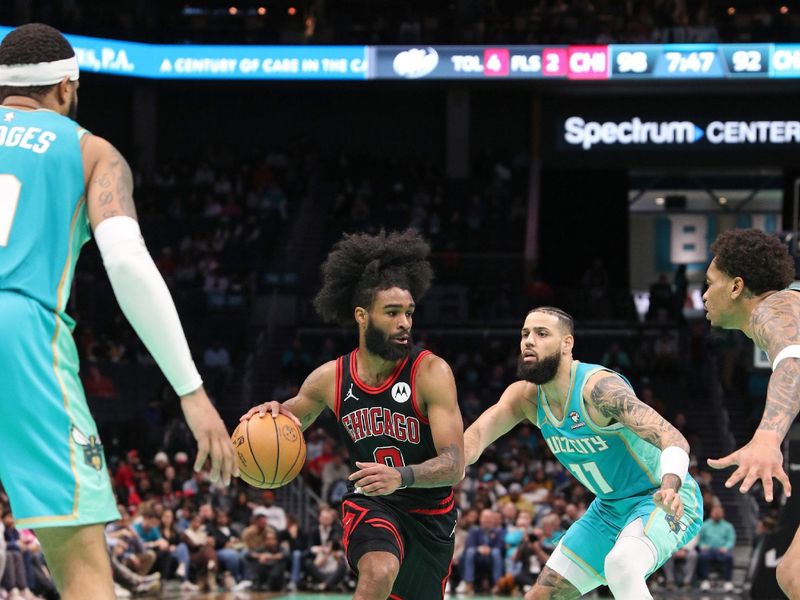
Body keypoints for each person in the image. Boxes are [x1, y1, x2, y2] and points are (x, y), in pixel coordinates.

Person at [0, 23, 236, 600]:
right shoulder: (91, 151)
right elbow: (127, 264)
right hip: (19, 335)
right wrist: (190, 390)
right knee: (80, 562)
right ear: (66, 86)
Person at [240, 230, 464, 600]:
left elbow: (455, 464)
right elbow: (290, 416)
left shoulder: (431, 373)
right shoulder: (331, 377)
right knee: (379, 569)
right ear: (362, 316)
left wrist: (402, 476)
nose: (405, 323)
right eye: (392, 313)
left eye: (408, 313)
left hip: (431, 517)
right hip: (370, 501)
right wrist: (272, 413)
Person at [463, 307, 704, 599]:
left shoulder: (598, 390)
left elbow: (672, 437)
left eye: (541, 334)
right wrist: (443, 466)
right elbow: (474, 439)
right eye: (525, 334)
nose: (528, 341)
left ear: (567, 344)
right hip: (608, 510)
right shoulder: (524, 397)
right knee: (539, 597)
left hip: (659, 499)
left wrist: (669, 486)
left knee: (622, 566)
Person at [702, 228, 800, 597]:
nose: (704, 294)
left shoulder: (776, 308)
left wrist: (767, 437)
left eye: (710, 283)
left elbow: (795, 361)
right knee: (794, 575)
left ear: (737, 286)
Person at [696, 504, 735, 592]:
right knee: (702, 556)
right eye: (715, 512)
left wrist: (726, 547)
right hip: (708, 550)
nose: (717, 514)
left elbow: (731, 540)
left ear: (723, 514)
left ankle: (728, 581)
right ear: (711, 513)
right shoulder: (704, 525)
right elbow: (699, 539)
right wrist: (702, 546)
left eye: (719, 512)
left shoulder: (728, 526)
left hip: (722, 550)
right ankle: (704, 581)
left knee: (729, 557)